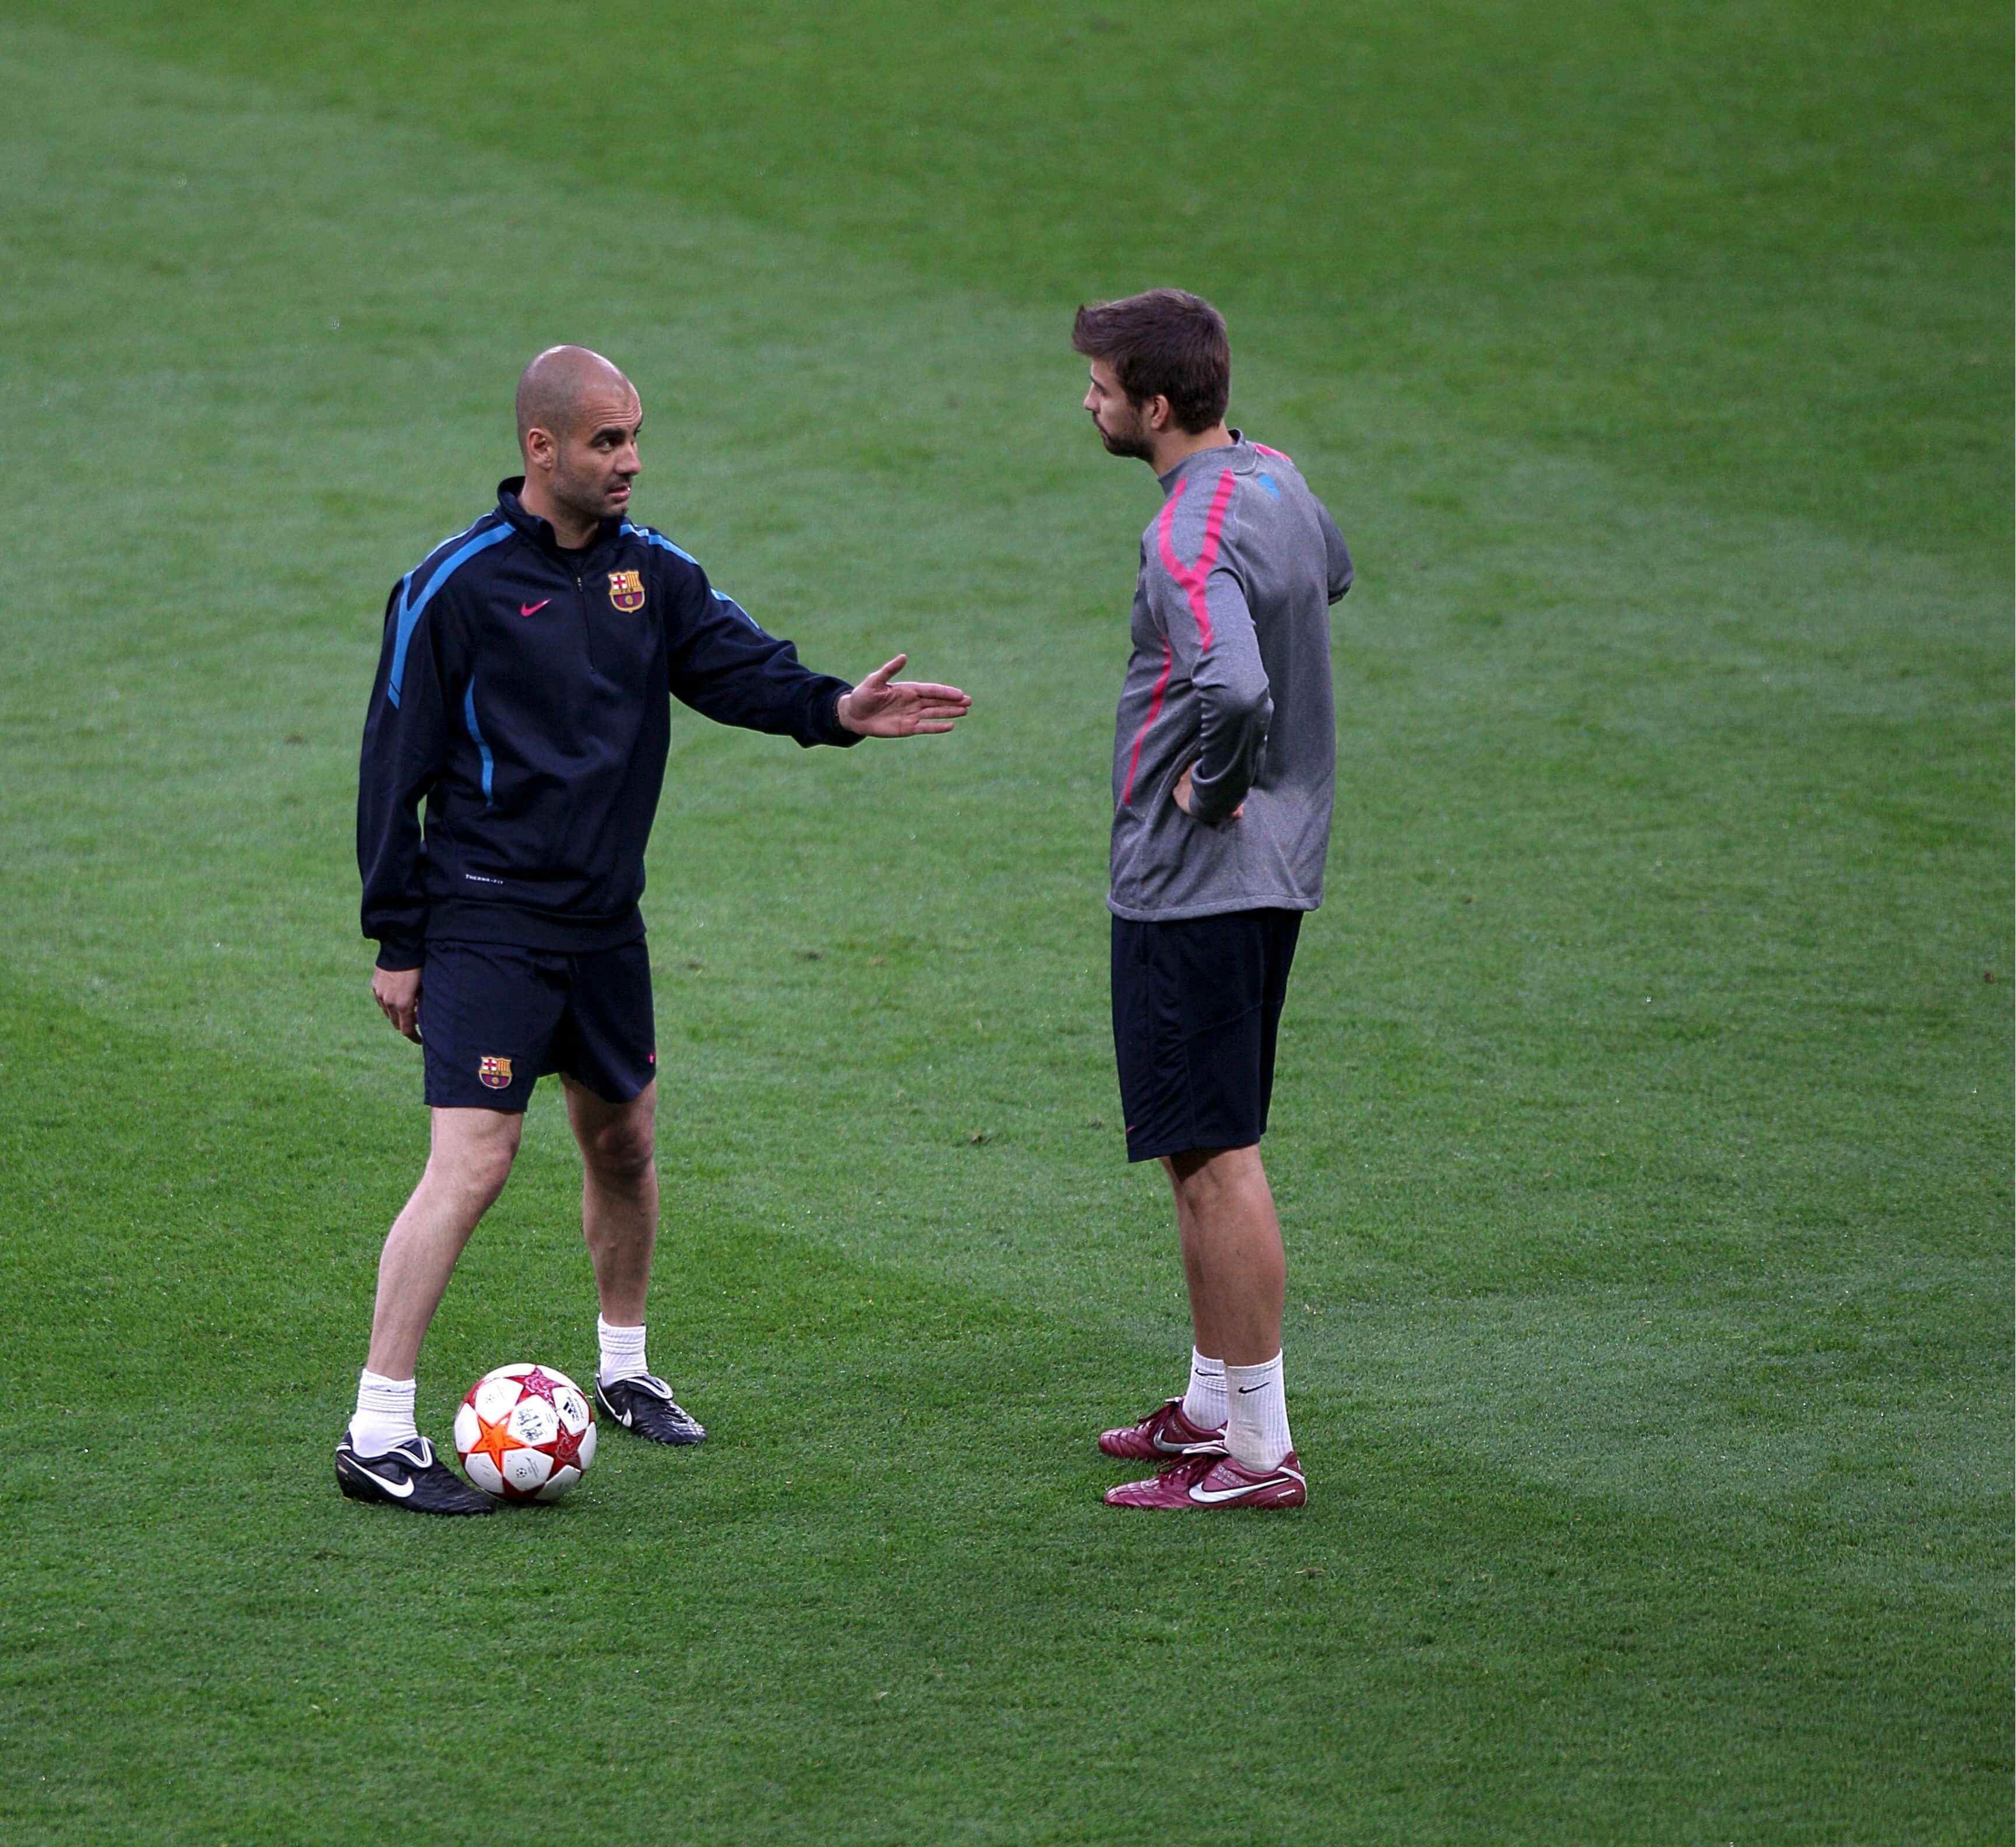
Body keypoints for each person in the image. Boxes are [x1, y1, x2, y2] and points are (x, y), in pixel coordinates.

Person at [336, 345, 970, 1514]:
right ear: (541, 450)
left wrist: (835, 709)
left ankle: (623, 1369)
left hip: (602, 925)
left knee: (622, 1141)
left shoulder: (651, 574)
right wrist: (398, 936)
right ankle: (377, 1426)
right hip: (485, 917)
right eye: (605, 442)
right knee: (473, 1161)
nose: (629, 461)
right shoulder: (454, 585)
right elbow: (394, 762)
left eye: (632, 438)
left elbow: (739, 670)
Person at [1073, 291, 1351, 1511]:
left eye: (1100, 386)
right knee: (1201, 1142)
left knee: (1215, 1156)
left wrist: (1207, 786)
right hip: (1277, 866)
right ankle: (1208, 1404)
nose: (1085, 401)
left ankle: (1254, 1454)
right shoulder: (1275, 479)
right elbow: (1327, 574)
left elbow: (1233, 691)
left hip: (1194, 880)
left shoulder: (1183, 535)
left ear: (1156, 404)